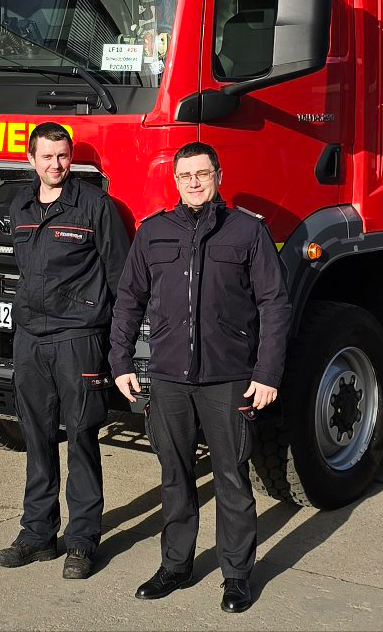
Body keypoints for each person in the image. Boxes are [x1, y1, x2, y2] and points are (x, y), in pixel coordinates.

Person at [110, 142, 291, 614]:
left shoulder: (247, 231)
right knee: (175, 475)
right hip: (169, 377)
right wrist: (121, 361)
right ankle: (176, 565)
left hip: (228, 378)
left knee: (232, 477)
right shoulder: (153, 233)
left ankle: (236, 575)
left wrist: (268, 371)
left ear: (218, 175)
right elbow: (128, 300)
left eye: (202, 173)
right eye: (185, 174)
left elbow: (275, 305)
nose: (194, 181)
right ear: (175, 180)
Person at [0, 122, 129, 580]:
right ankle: (37, 535)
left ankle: (84, 541)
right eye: (47, 156)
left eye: (63, 156)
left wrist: (115, 345)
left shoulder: (95, 206)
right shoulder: (21, 206)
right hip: (30, 339)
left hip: (78, 339)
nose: (55, 164)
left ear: (72, 158)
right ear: (31, 159)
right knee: (37, 438)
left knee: (84, 439)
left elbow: (119, 277)